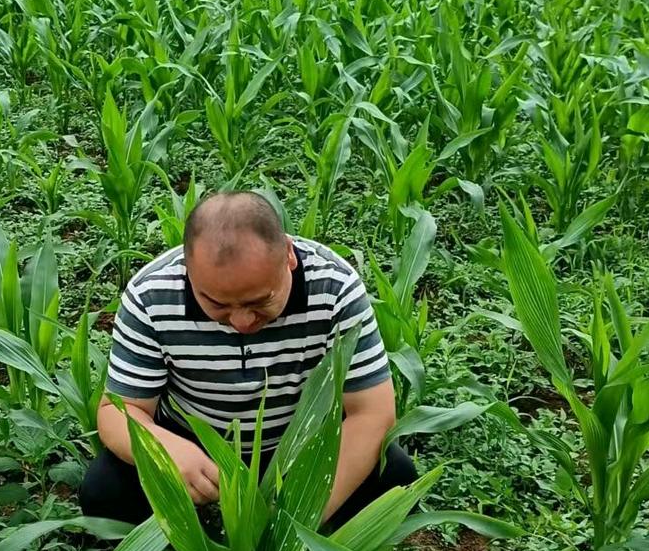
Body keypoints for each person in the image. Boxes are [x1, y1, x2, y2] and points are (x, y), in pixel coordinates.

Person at [79, 191, 417, 528]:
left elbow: (372, 412)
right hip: (193, 441)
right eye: (216, 304)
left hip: (297, 445)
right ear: (188, 268)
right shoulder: (151, 296)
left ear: (289, 256)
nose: (241, 322)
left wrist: (302, 511)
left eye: (260, 301)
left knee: (395, 478)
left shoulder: (334, 287)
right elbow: (118, 411)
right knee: (105, 493)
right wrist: (165, 451)